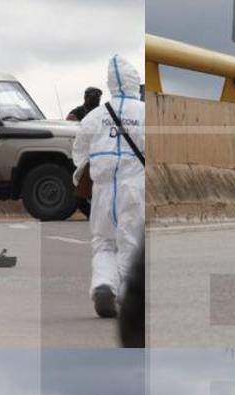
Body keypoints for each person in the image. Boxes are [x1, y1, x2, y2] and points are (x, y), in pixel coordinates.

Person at [71, 55, 145, 319]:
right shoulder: (146, 114)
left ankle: (103, 284)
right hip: (135, 189)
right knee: (132, 243)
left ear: (111, 83)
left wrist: (84, 175)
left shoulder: (95, 116)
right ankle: (128, 295)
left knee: (104, 242)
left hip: (103, 192)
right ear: (135, 81)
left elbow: (79, 153)